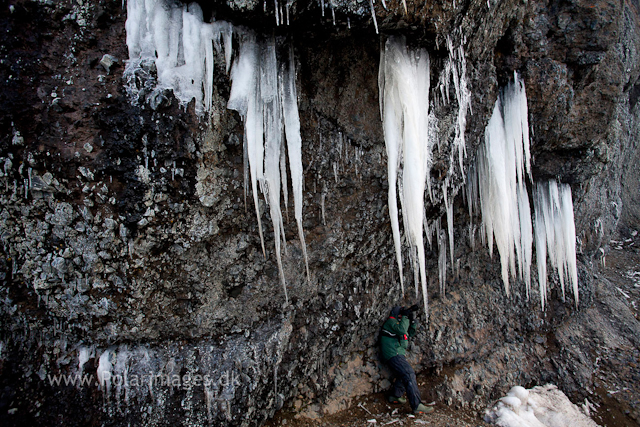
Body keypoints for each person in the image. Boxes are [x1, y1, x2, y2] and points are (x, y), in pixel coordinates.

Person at [379, 305, 433, 415]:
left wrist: (412, 320)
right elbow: (402, 330)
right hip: (393, 354)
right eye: (400, 314)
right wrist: (405, 316)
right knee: (408, 373)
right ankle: (417, 405)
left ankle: (395, 395)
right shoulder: (390, 323)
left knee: (403, 374)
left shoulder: (398, 325)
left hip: (397, 354)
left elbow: (408, 333)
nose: (401, 317)